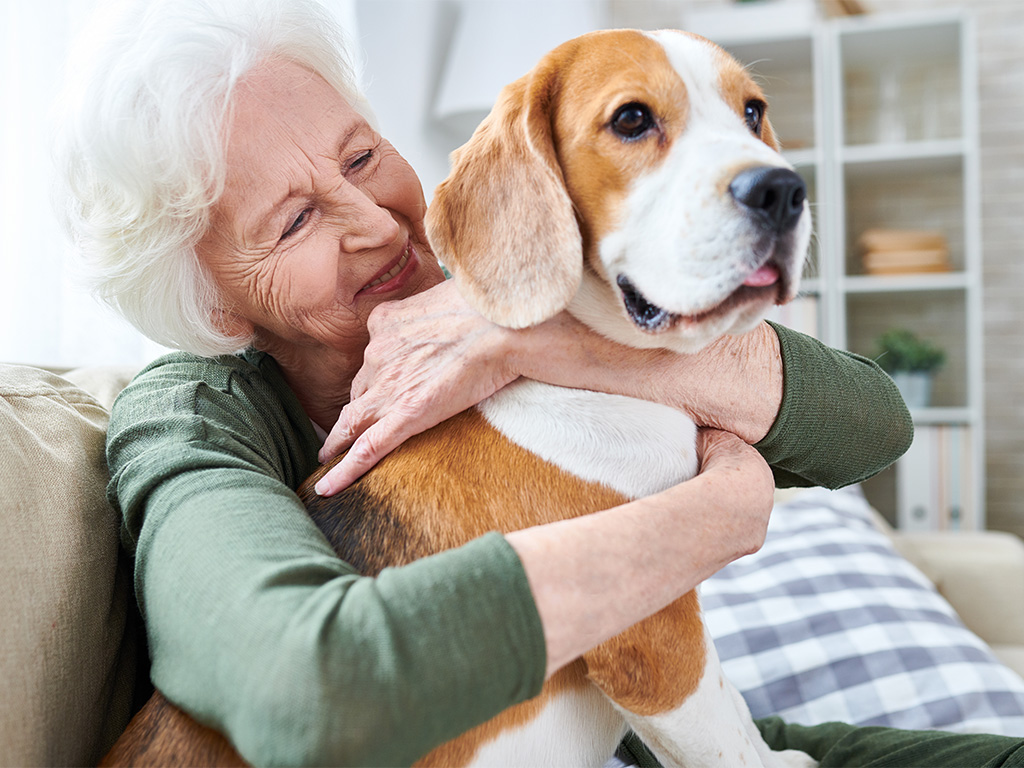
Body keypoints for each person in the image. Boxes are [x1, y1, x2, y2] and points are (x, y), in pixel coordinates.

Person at [53, 0, 920, 765]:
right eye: (295, 220)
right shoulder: (188, 417)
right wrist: (711, 519)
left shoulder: (520, 290)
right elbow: (302, 688)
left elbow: (874, 426)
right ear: (215, 307)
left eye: (359, 159)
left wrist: (532, 344)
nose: (374, 224)